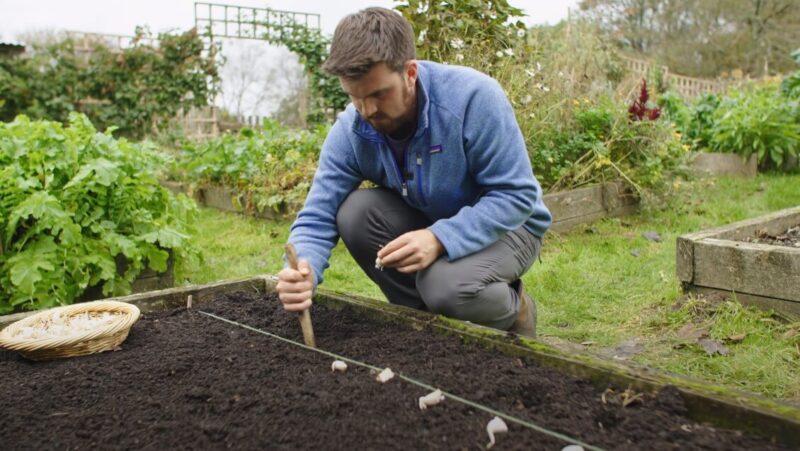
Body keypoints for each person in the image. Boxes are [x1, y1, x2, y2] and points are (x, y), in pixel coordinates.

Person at [275, 7, 551, 337]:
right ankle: (428, 328)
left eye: (379, 94)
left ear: (410, 73)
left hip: (509, 227)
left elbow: (517, 196)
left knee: (445, 286)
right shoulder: (352, 130)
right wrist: (302, 269)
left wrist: (439, 238)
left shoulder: (472, 99)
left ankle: (516, 310)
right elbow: (318, 214)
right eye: (355, 97)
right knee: (354, 213)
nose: (367, 110)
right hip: (432, 220)